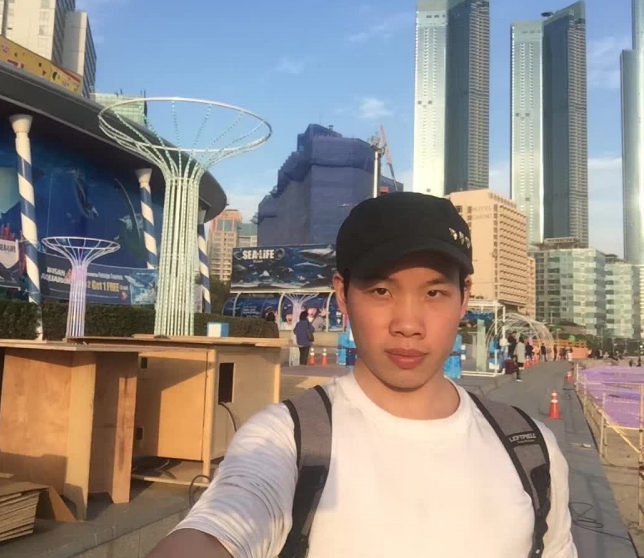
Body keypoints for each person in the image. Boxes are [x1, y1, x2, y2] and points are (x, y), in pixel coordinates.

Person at [147, 192, 576, 558]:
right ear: (343, 294)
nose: (408, 324)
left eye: (434, 292)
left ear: (464, 297)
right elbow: (227, 519)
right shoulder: (286, 440)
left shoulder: (530, 449)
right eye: (381, 291)